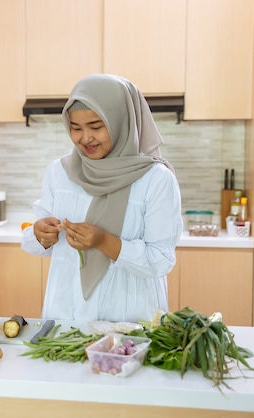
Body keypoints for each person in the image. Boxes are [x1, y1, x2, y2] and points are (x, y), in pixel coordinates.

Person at [21, 74, 183, 323]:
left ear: (121, 122)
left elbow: (161, 260)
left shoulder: (155, 179)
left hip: (129, 323)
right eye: (76, 128)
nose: (85, 138)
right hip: (64, 317)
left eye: (96, 127)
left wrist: (105, 242)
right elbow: (38, 244)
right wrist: (40, 234)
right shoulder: (59, 172)